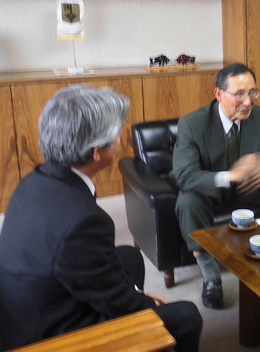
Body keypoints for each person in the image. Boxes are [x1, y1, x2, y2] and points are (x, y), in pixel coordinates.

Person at [0, 85, 202, 352]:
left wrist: (133, 295)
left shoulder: (35, 180)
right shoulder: (83, 221)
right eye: (118, 134)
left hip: (25, 305)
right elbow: (119, 301)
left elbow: (87, 264)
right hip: (49, 334)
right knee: (186, 316)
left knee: (130, 257)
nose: (121, 140)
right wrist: (143, 304)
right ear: (97, 152)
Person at [173, 63, 260, 309]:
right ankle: (211, 275)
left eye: (252, 93)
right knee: (187, 200)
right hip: (211, 192)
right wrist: (229, 176)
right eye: (239, 94)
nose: (248, 102)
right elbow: (184, 176)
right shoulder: (192, 124)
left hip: (246, 190)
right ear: (219, 94)